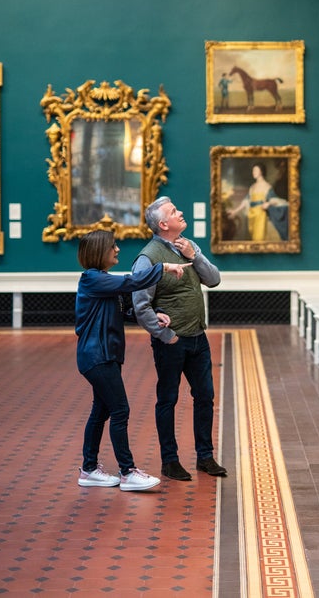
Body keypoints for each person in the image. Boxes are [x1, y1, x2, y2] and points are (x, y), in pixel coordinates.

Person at [75, 229, 188, 491]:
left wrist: (156, 313)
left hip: (105, 355)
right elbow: (129, 283)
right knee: (120, 410)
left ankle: (89, 469)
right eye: (113, 246)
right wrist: (164, 267)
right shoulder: (91, 279)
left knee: (101, 411)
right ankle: (127, 472)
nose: (117, 250)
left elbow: (123, 309)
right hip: (97, 356)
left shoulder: (101, 280)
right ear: (99, 252)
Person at [132, 197, 227, 482]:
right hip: (172, 343)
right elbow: (141, 306)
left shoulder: (188, 246)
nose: (180, 212)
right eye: (175, 212)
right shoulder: (147, 258)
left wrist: (194, 255)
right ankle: (170, 461)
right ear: (163, 224)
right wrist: (166, 336)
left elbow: (214, 280)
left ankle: (205, 457)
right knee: (168, 399)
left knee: (205, 397)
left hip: (198, 337)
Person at [227, 162, 288, 241]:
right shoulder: (252, 187)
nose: (253, 172)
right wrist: (235, 211)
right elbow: (246, 201)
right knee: (253, 240)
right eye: (253, 171)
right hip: (252, 215)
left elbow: (274, 200)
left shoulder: (267, 186)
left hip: (261, 215)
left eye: (255, 170)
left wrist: (268, 203)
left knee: (259, 239)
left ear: (261, 171)